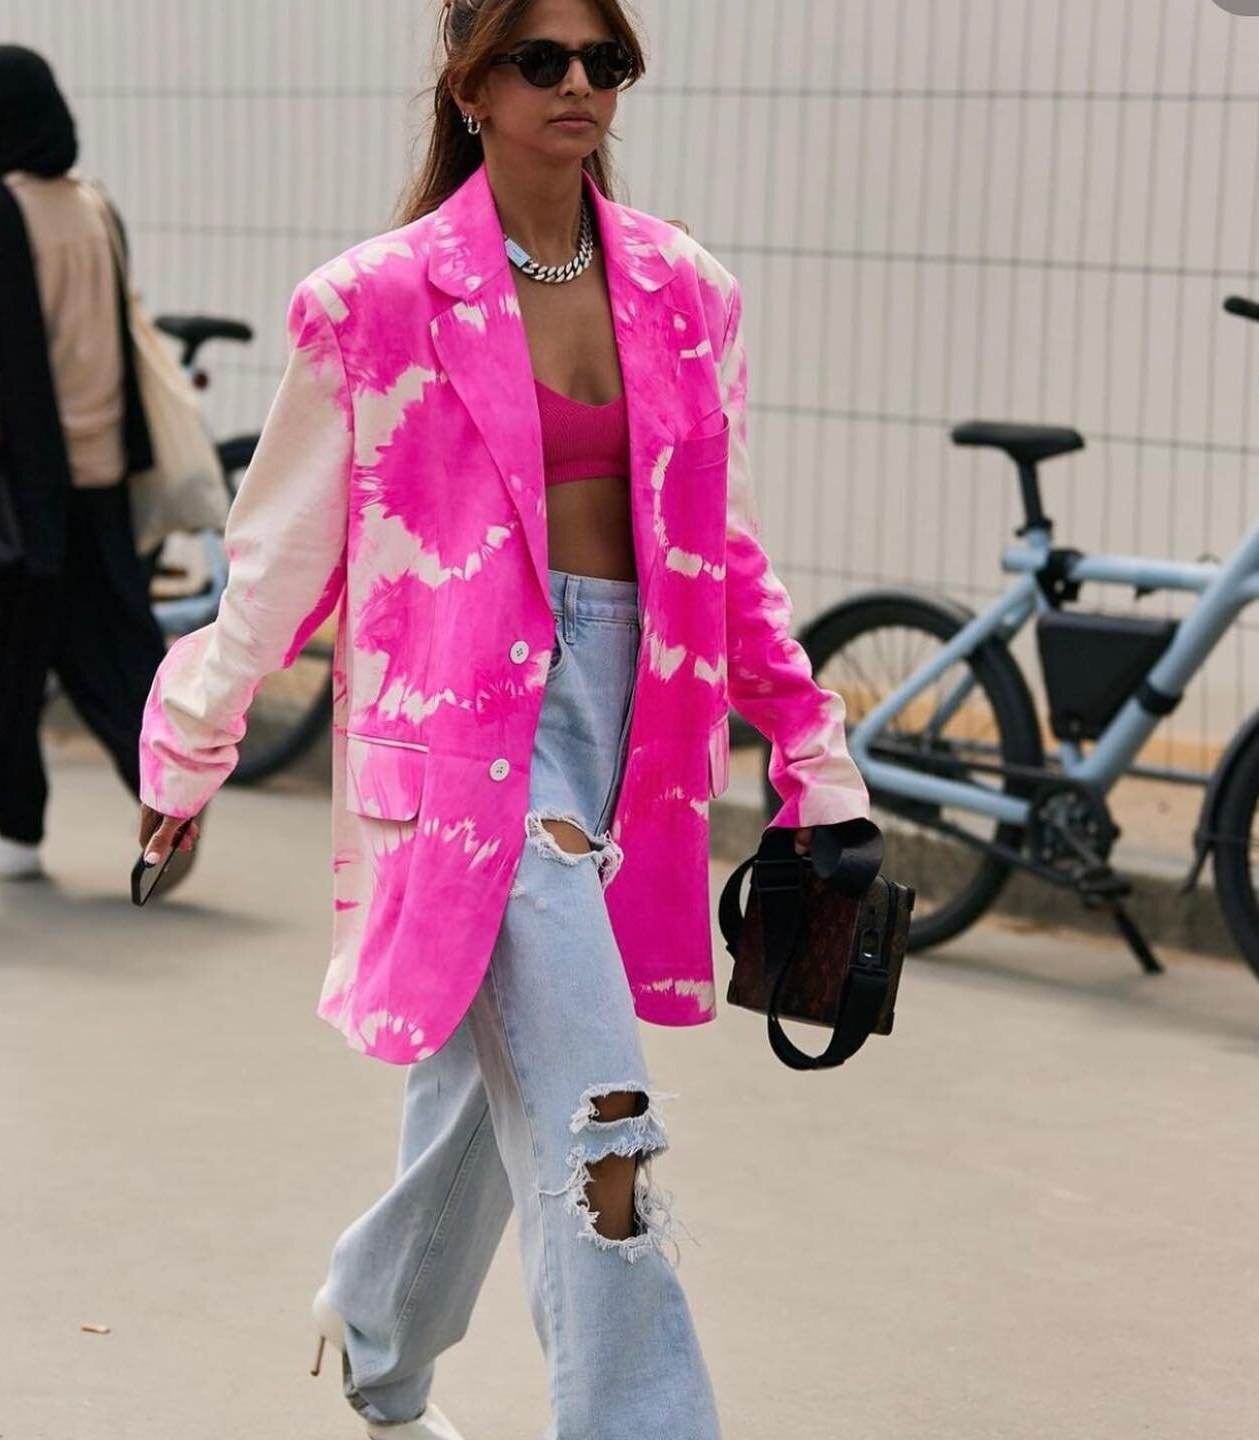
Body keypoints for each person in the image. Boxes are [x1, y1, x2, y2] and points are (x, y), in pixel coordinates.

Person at [138, 0, 871, 1435]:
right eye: (544, 59)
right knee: (605, 1124)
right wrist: (195, 739)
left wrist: (813, 752)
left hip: (639, 741)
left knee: (493, 1097)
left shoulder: (686, 291)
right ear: (471, 84)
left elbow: (723, 549)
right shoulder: (378, 300)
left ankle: (372, 1336)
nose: (581, 84)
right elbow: (281, 554)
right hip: (472, 749)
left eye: (608, 60)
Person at [0, 45, 168, 881]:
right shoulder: (93, 206)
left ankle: (15, 836)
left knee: (3, 663)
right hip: (100, 471)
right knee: (109, 647)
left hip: (20, 485)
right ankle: (170, 804)